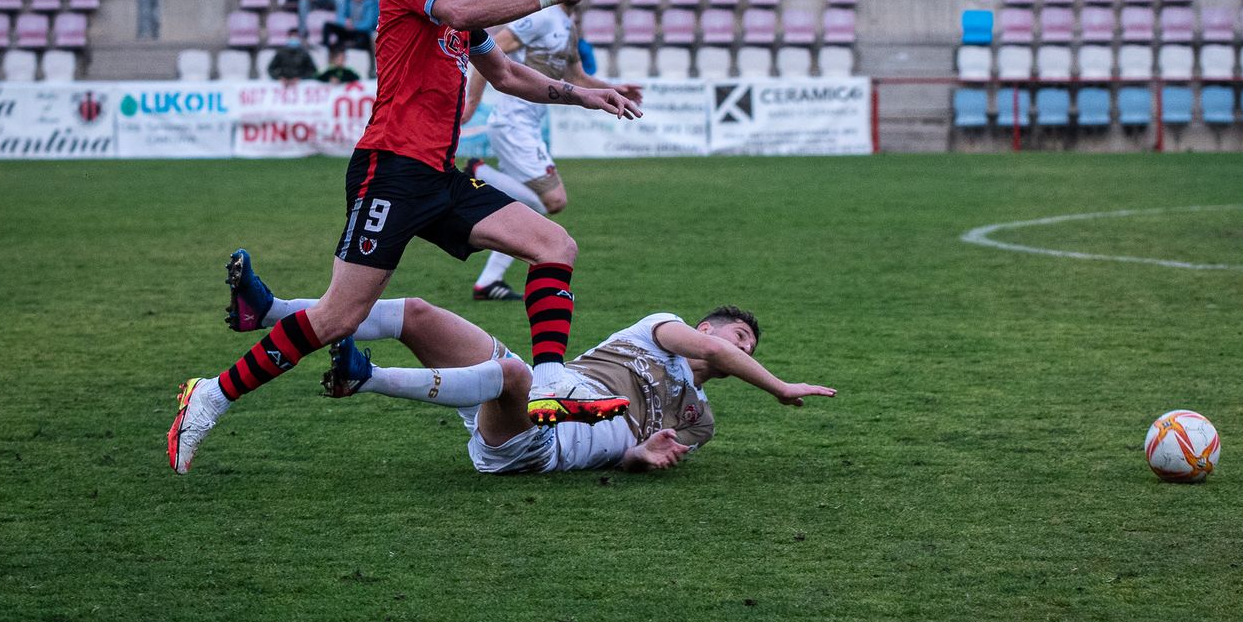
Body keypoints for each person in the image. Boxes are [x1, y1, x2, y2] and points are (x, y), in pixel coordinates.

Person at [170, 0, 643, 475]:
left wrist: (588, 94)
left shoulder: (453, 3)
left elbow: (506, 76)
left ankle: (549, 381)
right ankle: (210, 394)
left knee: (554, 245)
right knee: (339, 318)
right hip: (389, 173)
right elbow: (457, 10)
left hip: (436, 178)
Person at [185, 250, 835, 475]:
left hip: (545, 443)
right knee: (415, 312)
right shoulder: (657, 330)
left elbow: (641, 453)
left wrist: (641, 456)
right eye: (737, 335)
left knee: (515, 376)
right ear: (704, 330)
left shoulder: (700, 420)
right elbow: (716, 351)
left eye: (751, 347)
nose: (741, 347)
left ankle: (368, 377)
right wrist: (779, 389)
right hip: (552, 392)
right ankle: (269, 313)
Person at [459, 0, 644, 301]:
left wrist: (612, 89)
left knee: (527, 208)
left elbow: (576, 76)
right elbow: (489, 46)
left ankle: (488, 283)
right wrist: (473, 100)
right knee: (553, 202)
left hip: (526, 127)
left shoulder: (567, 27)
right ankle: (480, 172)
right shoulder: (543, 17)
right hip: (513, 124)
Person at [321, 0, 378, 69]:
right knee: (328, 25)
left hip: (361, 32)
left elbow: (368, 23)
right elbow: (339, 17)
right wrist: (345, 22)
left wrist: (354, 25)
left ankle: (348, 48)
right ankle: (326, 48)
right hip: (347, 29)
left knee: (364, 37)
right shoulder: (346, 1)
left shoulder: (370, 3)